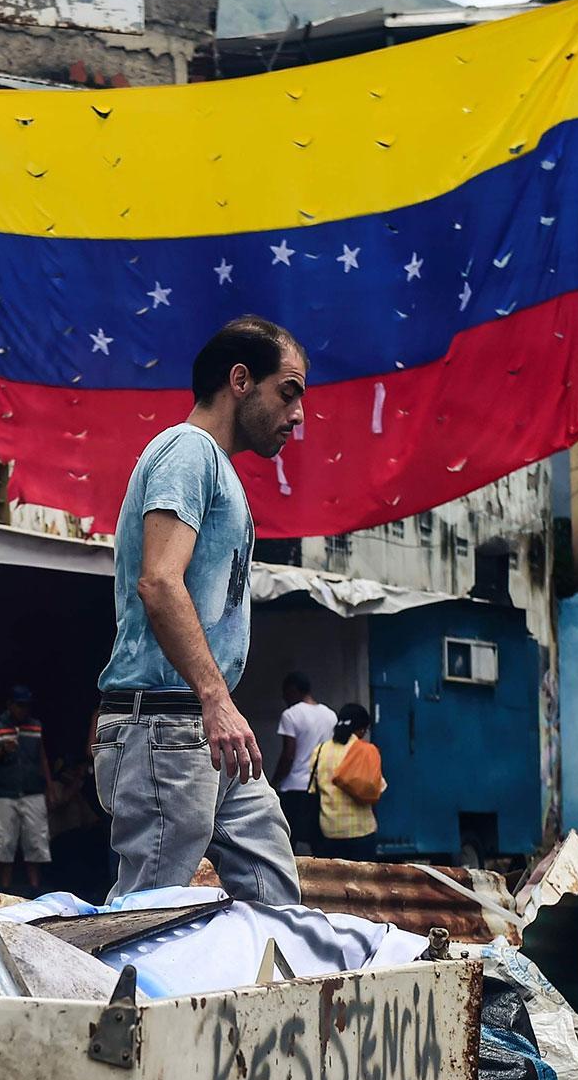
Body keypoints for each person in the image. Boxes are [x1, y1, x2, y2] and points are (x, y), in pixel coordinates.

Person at [93, 316, 306, 905]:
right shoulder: (187, 451)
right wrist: (216, 699)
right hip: (167, 726)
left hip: (207, 731)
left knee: (276, 902)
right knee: (147, 916)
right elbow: (159, 582)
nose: (298, 416)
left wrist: (218, 707)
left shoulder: (218, 468)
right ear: (241, 380)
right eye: (288, 392)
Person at [0, 685, 52, 891]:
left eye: (26, 706)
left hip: (32, 791)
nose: (23, 710)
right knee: (3, 842)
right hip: (4, 793)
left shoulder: (35, 727)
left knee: (36, 842)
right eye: (19, 706)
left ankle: (34, 887)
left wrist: (49, 787)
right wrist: (2, 750)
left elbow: (43, 758)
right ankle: (4, 888)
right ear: (10, 705)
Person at [310, 703, 384, 861]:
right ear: (361, 729)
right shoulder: (365, 750)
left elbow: (313, 789)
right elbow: (378, 787)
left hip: (329, 831)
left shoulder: (320, 750)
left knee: (333, 883)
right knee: (363, 883)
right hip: (361, 831)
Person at [274, 672, 337, 856]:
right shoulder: (330, 715)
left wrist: (274, 781)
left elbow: (288, 755)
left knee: (287, 842)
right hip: (320, 787)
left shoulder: (290, 715)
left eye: (285, 694)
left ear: (293, 690)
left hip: (294, 787)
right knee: (318, 842)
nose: (284, 698)